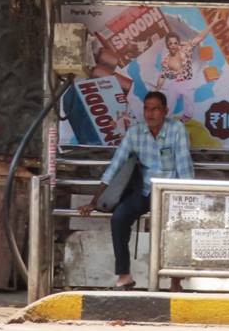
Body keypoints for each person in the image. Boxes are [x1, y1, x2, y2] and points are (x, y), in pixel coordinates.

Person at [77, 91, 194, 289]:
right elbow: (115, 166)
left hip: (171, 193)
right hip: (144, 191)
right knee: (119, 218)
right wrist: (94, 201)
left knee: (176, 227)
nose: (150, 114)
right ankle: (124, 276)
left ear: (165, 111)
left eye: (155, 109)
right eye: (147, 109)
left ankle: (175, 280)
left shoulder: (177, 130)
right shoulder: (135, 132)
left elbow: (184, 168)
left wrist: (188, 200)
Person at [154, 28, 209, 121]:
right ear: (167, 45)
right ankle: (166, 121)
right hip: (174, 84)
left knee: (189, 107)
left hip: (188, 82)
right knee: (169, 104)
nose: (173, 45)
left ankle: (186, 117)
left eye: (175, 43)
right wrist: (157, 89)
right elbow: (163, 75)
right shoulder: (166, 59)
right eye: (170, 43)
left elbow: (200, 37)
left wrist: (212, 24)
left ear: (178, 43)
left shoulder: (185, 50)